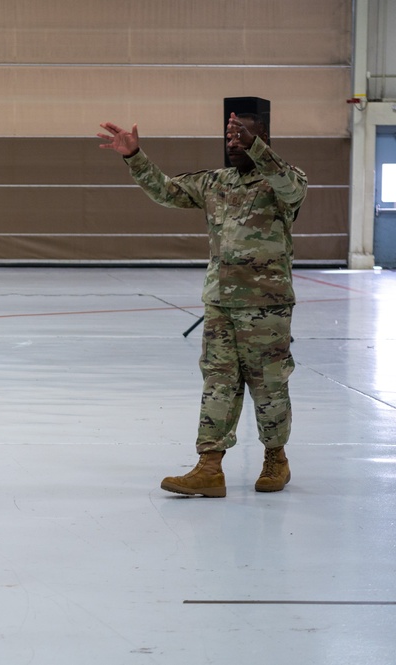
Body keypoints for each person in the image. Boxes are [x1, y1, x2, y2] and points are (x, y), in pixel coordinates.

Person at [98, 112, 307, 497]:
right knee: (218, 384)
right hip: (220, 304)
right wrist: (135, 156)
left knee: (269, 385)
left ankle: (276, 459)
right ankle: (209, 468)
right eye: (230, 136)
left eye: (242, 135)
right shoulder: (214, 182)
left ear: (262, 138)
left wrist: (255, 146)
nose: (233, 142)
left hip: (267, 306)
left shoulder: (283, 180)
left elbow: (293, 190)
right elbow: (165, 190)